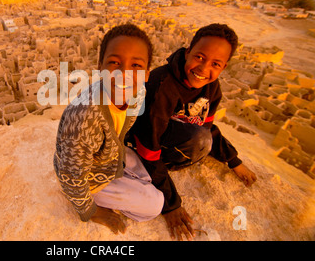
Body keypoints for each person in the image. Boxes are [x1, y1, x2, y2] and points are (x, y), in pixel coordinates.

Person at [126, 23, 257, 240]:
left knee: (202, 138)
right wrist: (171, 204)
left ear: (223, 67)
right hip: (142, 143)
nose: (204, 69)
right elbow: (148, 144)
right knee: (198, 139)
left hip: (171, 142)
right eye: (200, 57)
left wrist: (233, 160)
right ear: (188, 53)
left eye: (216, 63)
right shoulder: (162, 85)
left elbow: (207, 127)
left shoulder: (212, 89)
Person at [53, 23, 164, 234]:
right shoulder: (86, 117)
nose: (124, 73)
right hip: (86, 178)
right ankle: (97, 198)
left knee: (148, 177)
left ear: (147, 75)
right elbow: (71, 176)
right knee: (154, 204)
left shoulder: (136, 94)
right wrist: (90, 210)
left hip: (107, 157)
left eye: (136, 66)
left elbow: (119, 132)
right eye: (115, 62)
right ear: (100, 67)